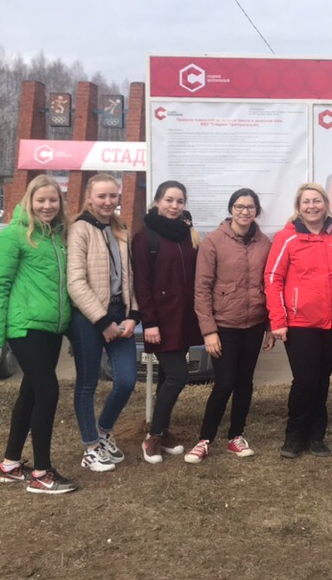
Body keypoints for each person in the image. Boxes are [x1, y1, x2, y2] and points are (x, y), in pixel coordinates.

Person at [0, 175, 76, 494]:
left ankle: (10, 465)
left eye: (53, 200)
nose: (47, 206)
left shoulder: (59, 236)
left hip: (51, 329)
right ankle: (42, 473)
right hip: (24, 327)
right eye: (41, 200)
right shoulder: (13, 235)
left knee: (31, 393)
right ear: (29, 201)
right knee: (48, 392)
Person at [264, 183, 332, 459]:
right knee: (305, 380)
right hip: (300, 322)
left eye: (316, 201)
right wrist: (278, 319)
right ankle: (295, 435)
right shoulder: (287, 238)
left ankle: (317, 436)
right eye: (306, 202)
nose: (312, 206)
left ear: (325, 204)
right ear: (299, 207)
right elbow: (273, 279)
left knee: (322, 379)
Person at [186, 188, 274, 464]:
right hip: (224, 324)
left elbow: (270, 285)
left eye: (250, 207)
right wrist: (208, 330)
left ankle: (236, 436)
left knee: (245, 381)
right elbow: (201, 289)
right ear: (231, 209)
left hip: (254, 323)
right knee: (224, 383)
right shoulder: (213, 241)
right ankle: (205, 439)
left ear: (256, 211)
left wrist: (270, 325)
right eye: (239, 206)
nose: (245, 211)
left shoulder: (265, 243)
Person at [67, 173, 139, 472]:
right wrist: (102, 321)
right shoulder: (79, 229)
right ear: (89, 197)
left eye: (113, 196)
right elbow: (75, 282)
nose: (108, 202)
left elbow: (130, 276)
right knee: (87, 384)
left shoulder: (121, 228)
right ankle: (90, 448)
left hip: (120, 314)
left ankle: (104, 431)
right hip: (88, 318)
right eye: (102, 196)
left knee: (127, 380)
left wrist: (133, 315)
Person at [131, 180, 201, 464]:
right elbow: (142, 283)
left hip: (184, 318)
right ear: (157, 202)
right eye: (169, 200)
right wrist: (149, 322)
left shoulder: (187, 234)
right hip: (160, 320)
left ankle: (163, 430)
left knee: (166, 377)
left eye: (180, 201)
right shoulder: (145, 237)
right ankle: (153, 436)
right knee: (177, 375)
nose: (174, 206)